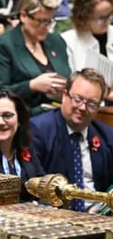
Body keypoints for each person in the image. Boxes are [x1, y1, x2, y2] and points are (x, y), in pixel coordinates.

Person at [31, 68, 113, 212]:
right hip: (55, 218)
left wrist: (103, 209)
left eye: (92, 103)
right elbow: (33, 186)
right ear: (64, 96)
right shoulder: (39, 130)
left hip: (98, 216)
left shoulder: (107, 136)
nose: (82, 107)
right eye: (77, 99)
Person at [0, 0, 71, 115]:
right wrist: (32, 86)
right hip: (25, 116)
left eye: (50, 21)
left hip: (61, 113)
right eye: (41, 21)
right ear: (24, 16)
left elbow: (67, 76)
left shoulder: (57, 42)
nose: (46, 27)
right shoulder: (3, 45)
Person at [61, 0, 113, 101]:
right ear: (84, 18)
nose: (108, 22)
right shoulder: (68, 40)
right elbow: (71, 83)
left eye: (110, 15)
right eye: (101, 18)